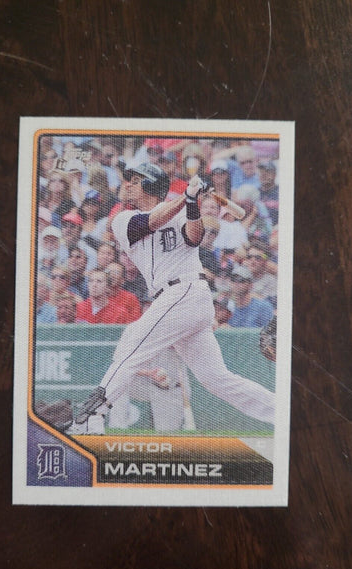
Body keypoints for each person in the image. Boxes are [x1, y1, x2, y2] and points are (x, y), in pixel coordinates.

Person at [70, 163, 275, 434]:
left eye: (135, 181)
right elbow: (151, 222)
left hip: (185, 292)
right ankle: (280, 410)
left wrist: (192, 204)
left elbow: (194, 237)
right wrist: (186, 197)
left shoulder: (178, 212)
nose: (128, 184)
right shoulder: (123, 218)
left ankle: (91, 415)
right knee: (216, 379)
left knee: (132, 344)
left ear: (149, 185)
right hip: (176, 298)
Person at [258, 160, 279, 226]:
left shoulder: (281, 192)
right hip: (259, 228)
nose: (263, 174)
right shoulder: (255, 193)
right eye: (261, 172)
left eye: (267, 171)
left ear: (274, 174)